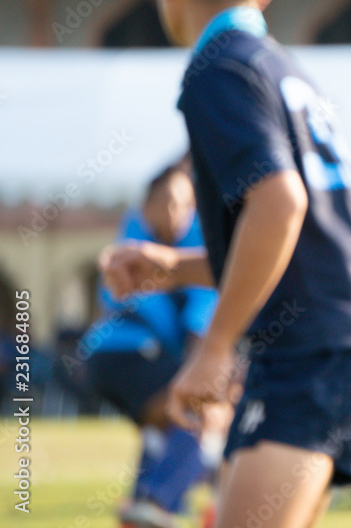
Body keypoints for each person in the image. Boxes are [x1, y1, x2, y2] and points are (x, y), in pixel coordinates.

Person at [100, 0, 351, 528]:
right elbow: (297, 242)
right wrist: (175, 268)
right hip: (344, 343)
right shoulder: (284, 69)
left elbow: (282, 204)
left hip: (313, 353)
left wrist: (214, 347)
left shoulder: (219, 69)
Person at [86, 164, 221, 528]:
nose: (173, 211)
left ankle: (143, 504)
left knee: (163, 425)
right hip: (129, 354)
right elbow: (199, 325)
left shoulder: (167, 242)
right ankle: (160, 502)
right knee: (197, 414)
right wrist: (202, 377)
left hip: (107, 360)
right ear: (145, 206)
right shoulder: (147, 247)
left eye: (183, 203)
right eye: (165, 201)